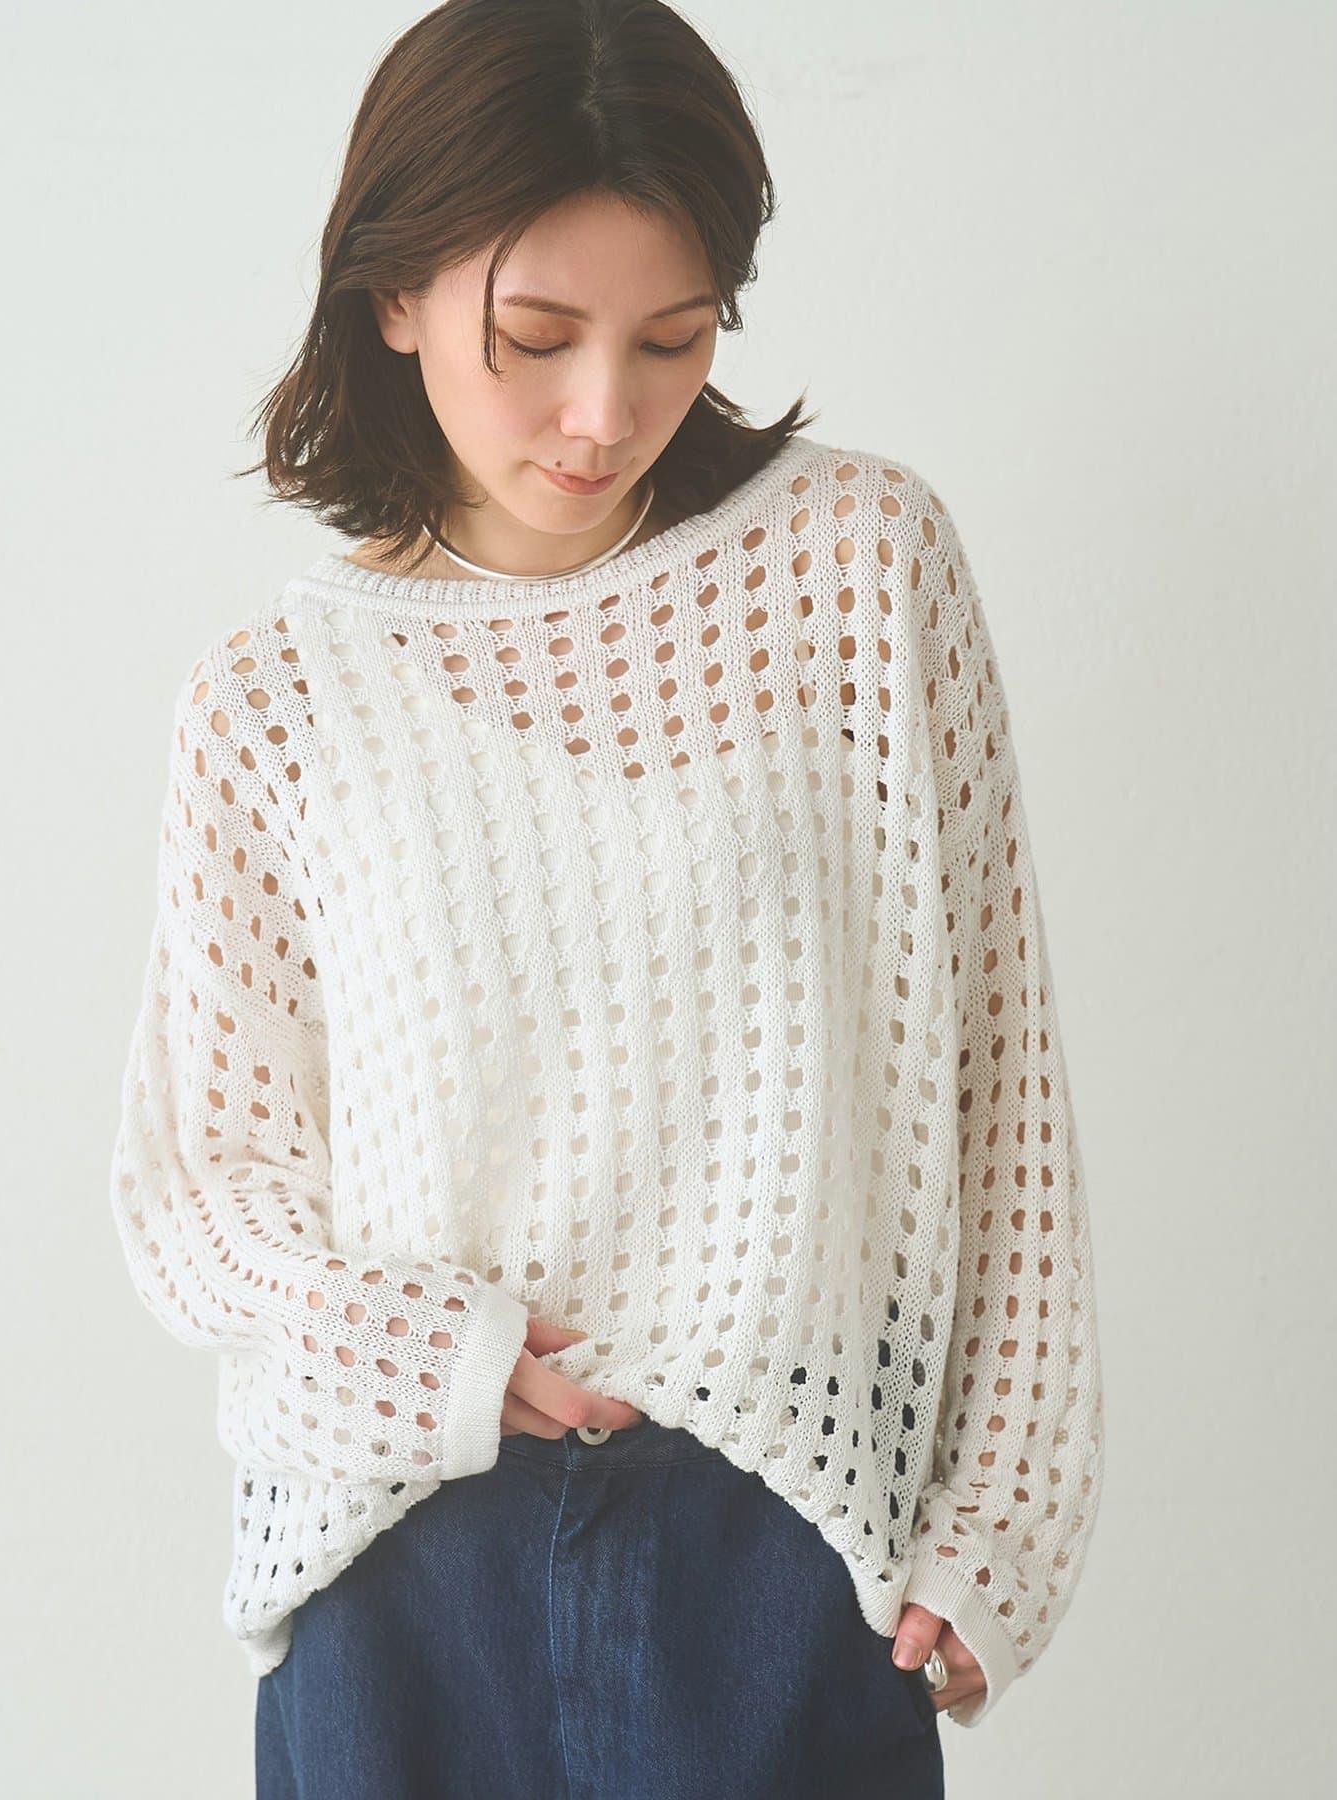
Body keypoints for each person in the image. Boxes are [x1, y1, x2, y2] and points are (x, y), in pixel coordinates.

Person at [107, 3, 1107, 1795]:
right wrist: (412, 1349)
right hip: (401, 1553)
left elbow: (997, 1073)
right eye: (536, 338)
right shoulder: (273, 702)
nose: (605, 414)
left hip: (783, 1538)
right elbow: (207, 1181)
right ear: (391, 294)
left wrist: (1006, 1499)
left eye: (672, 337)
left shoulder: (858, 568)